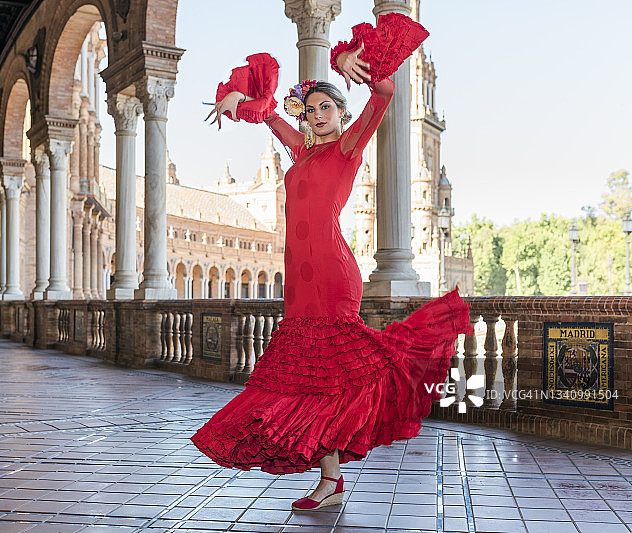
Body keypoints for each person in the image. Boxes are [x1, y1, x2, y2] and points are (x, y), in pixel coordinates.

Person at [191, 12, 472, 511]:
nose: (318, 114)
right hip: (298, 280)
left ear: (341, 115)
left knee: (333, 372)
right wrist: (235, 102)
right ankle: (332, 478)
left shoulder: (346, 150)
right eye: (312, 108)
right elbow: (265, 115)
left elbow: (382, 95)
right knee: (313, 376)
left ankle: (330, 477)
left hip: (333, 275)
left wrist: (348, 59)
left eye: (327, 107)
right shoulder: (299, 151)